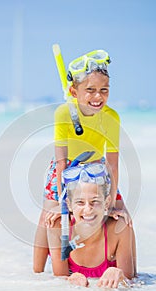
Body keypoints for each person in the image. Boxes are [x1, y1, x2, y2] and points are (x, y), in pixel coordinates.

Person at [33, 49, 131, 273]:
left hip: (97, 169)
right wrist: (62, 203)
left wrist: (113, 200)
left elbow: (112, 164)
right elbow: (60, 162)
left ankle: (127, 272)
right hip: (66, 168)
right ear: (74, 92)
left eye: (103, 90)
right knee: (48, 215)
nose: (98, 97)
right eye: (90, 90)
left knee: (124, 216)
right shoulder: (63, 113)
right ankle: (37, 274)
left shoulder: (111, 117)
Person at [47, 162, 137, 288]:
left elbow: (133, 282)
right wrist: (70, 279)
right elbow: (59, 282)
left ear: (107, 203)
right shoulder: (58, 227)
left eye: (95, 202)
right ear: (69, 204)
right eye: (80, 202)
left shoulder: (120, 228)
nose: (88, 209)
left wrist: (119, 274)